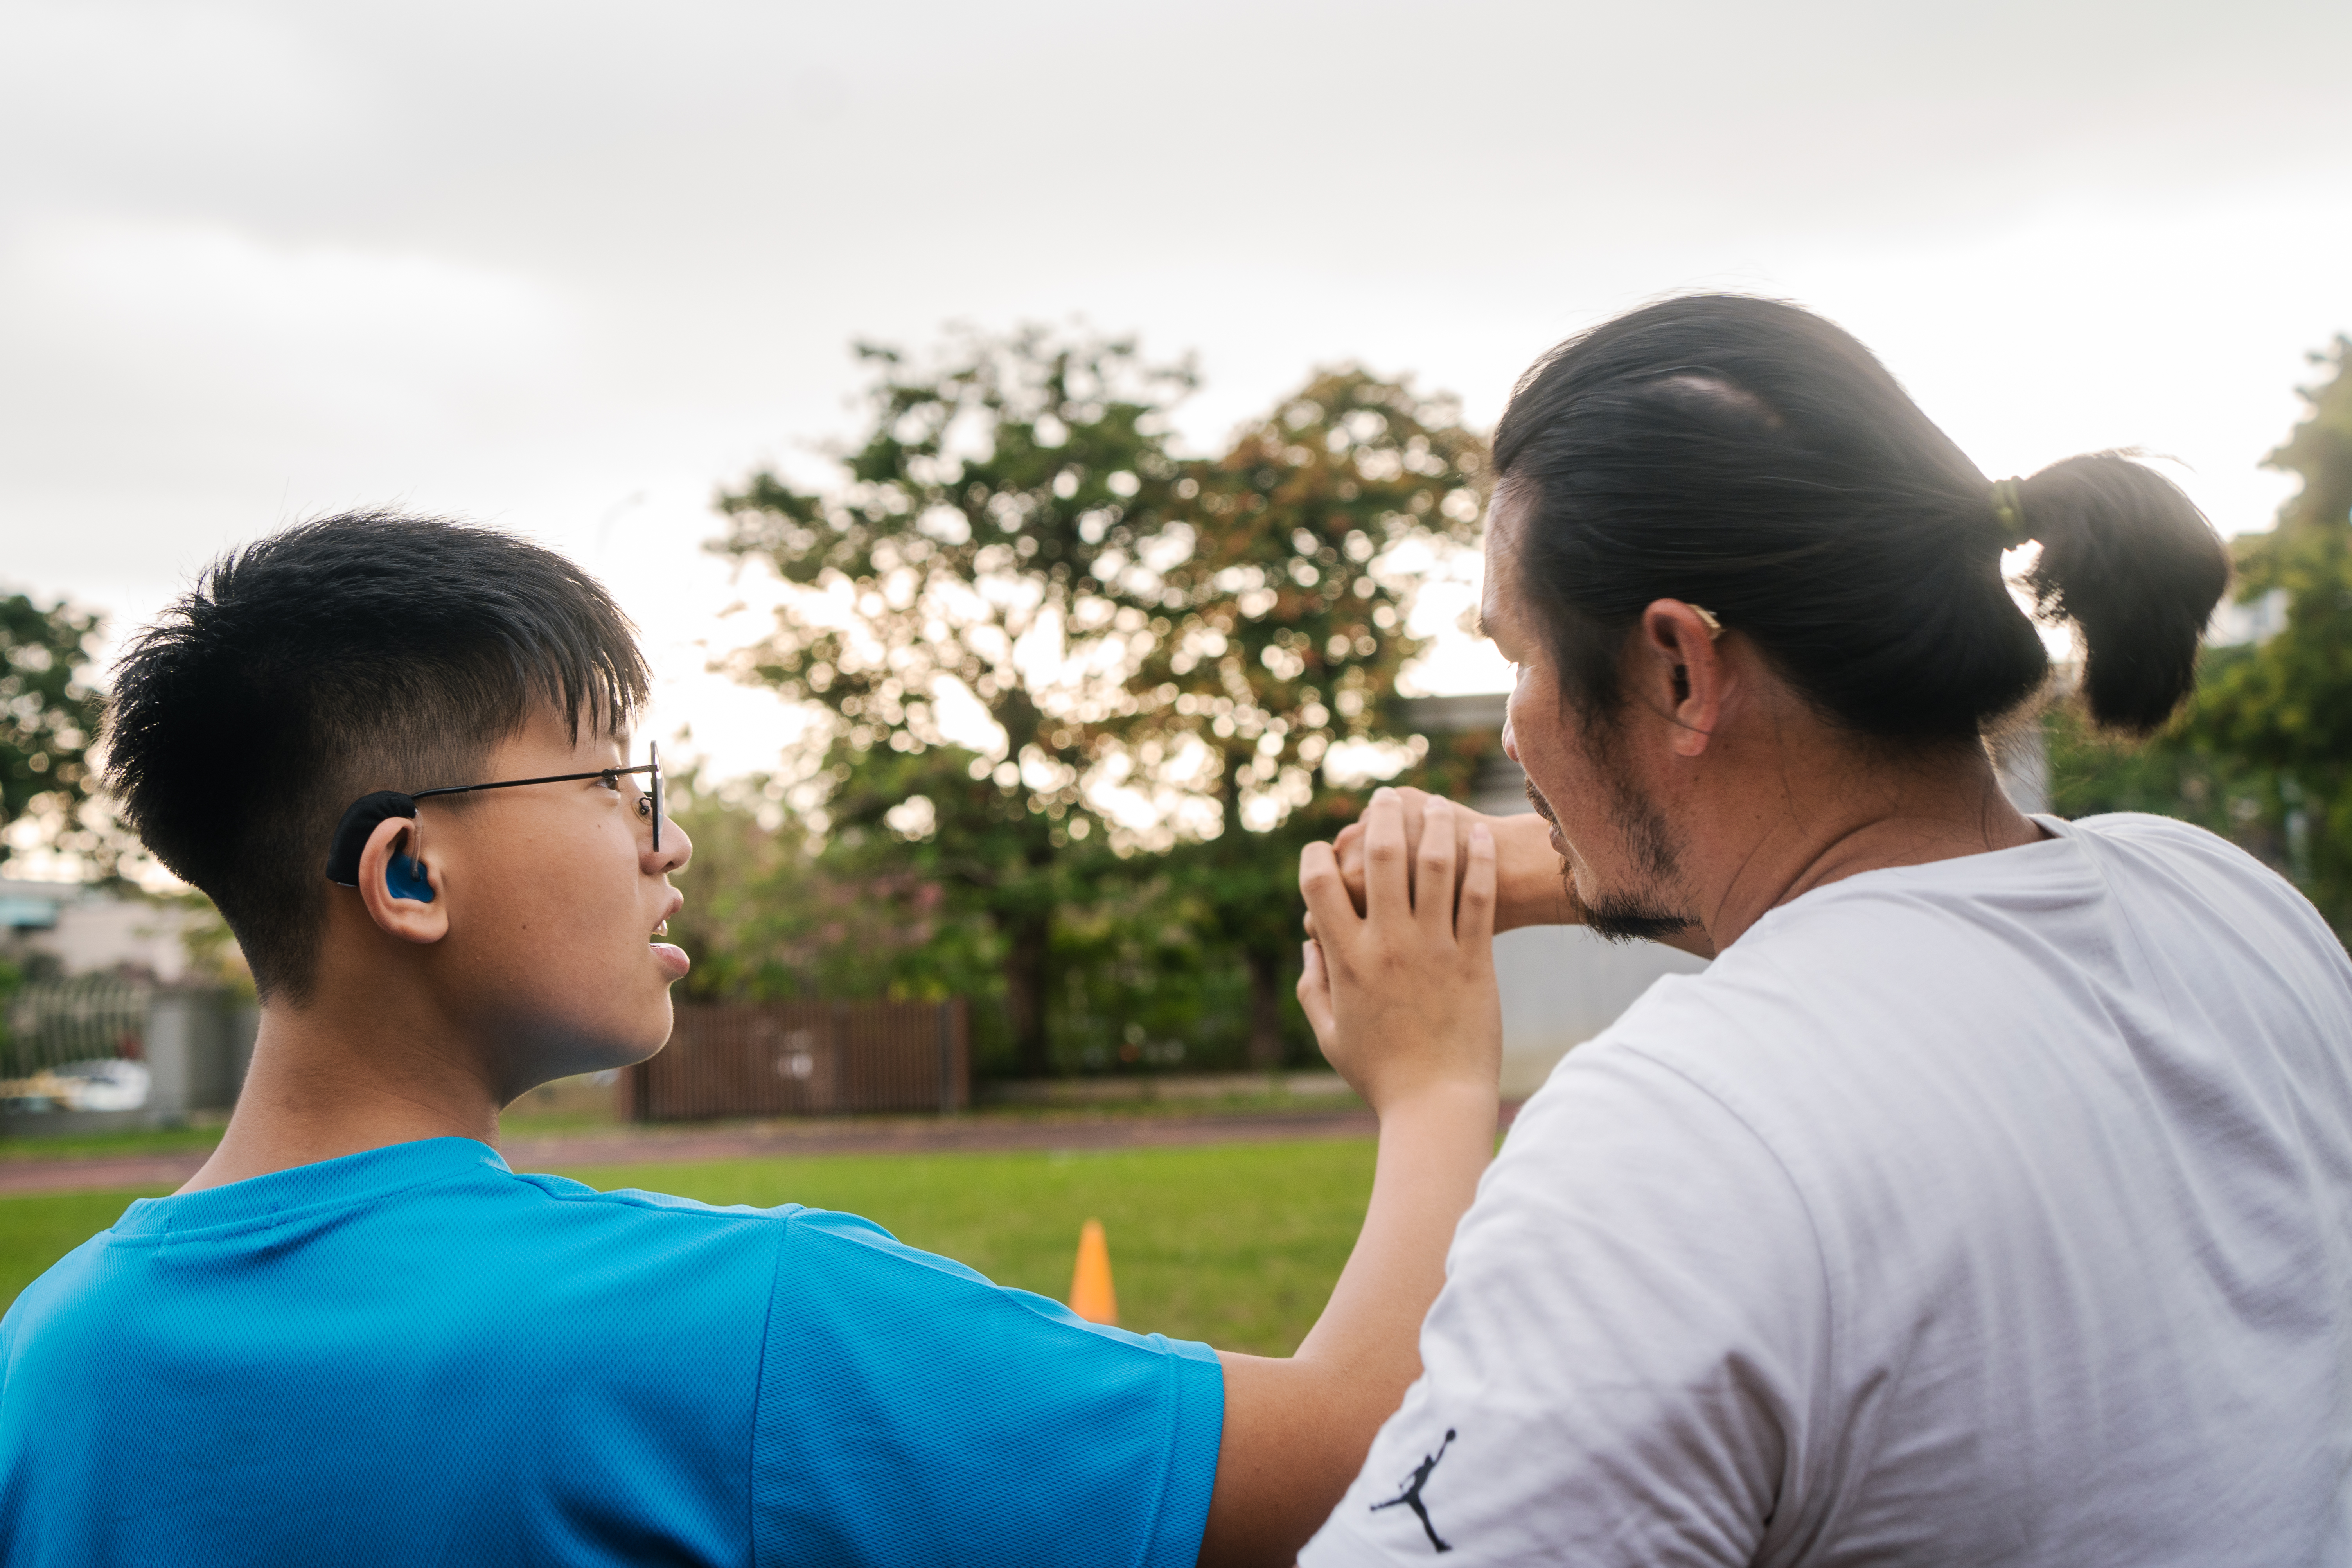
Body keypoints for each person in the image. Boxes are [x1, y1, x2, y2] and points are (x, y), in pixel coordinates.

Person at [0, 514, 1504, 1568]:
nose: (672, 842)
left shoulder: (44, 1364)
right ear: (407, 873)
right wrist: (1436, 1074)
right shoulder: (752, 1328)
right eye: (613, 784)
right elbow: (1359, 1472)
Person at [1300, 296, 2352, 1564]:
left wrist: (1430, 1085)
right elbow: (1900, 941)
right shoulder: (2234, 908)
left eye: (1519, 656)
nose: (1518, 732)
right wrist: (1550, 865)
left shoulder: (1669, 1146)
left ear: (1680, 666)